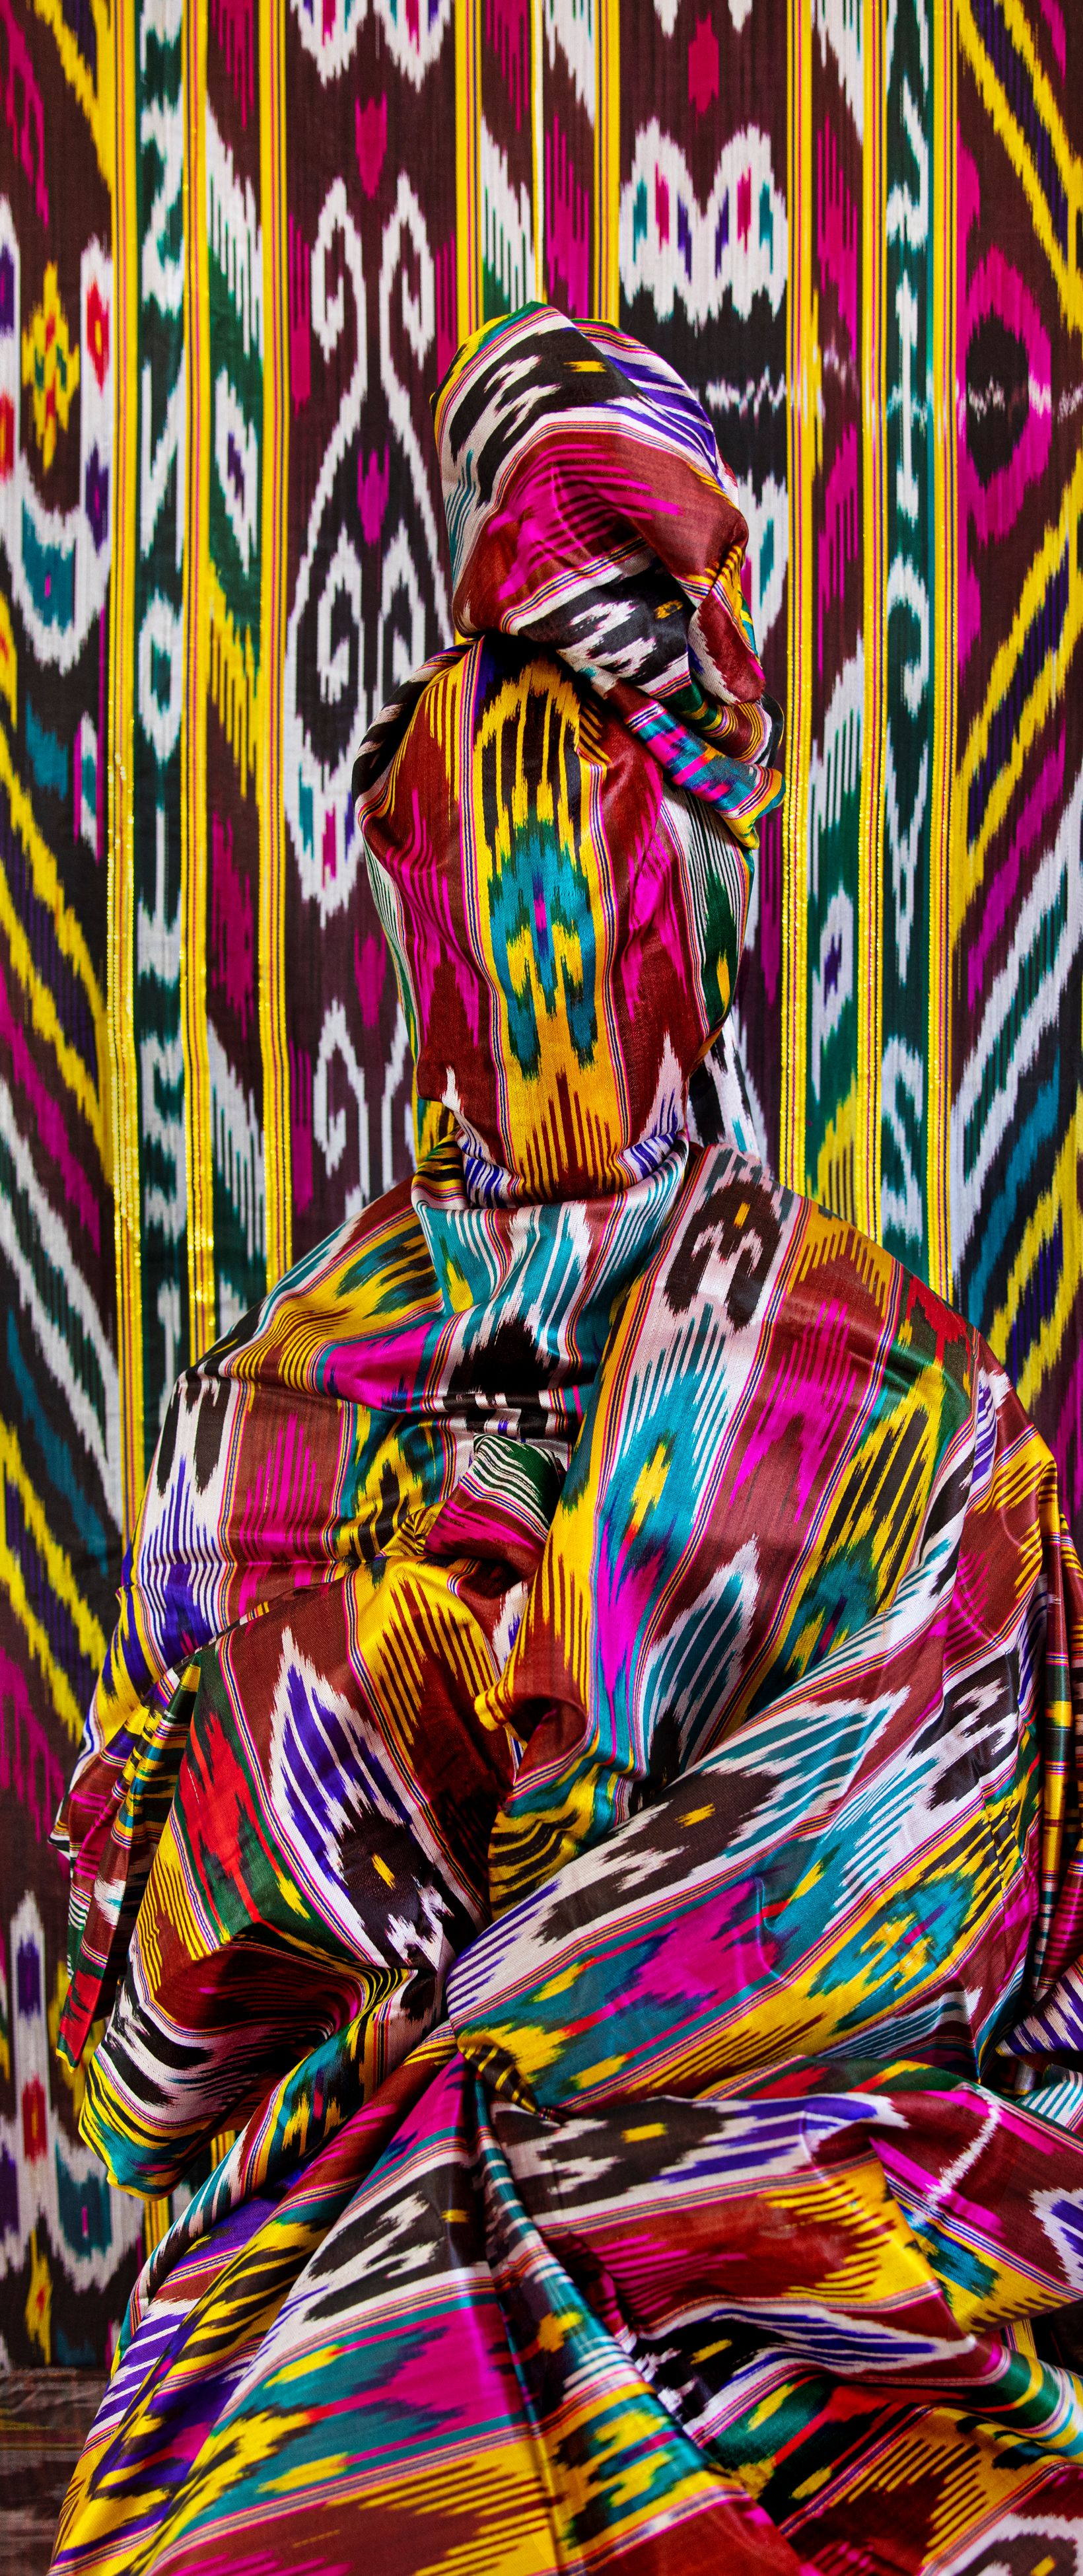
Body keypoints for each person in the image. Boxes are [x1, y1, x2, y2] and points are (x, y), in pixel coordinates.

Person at [52, 306, 1083, 2576]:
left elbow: (142, 2079)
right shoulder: (882, 1401)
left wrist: (424, 1947)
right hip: (706, 2362)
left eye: (582, 846)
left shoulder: (875, 1408)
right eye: (479, 838)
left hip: (479, 2375)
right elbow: (116, 2082)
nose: (538, 944)